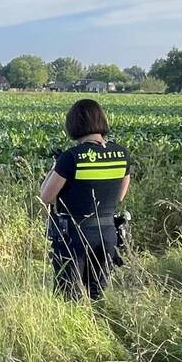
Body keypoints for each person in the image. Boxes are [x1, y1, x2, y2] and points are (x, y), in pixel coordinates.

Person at [39, 99, 131, 299]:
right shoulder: (122, 154)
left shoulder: (71, 157)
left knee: (69, 296)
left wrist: (57, 165)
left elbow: (45, 196)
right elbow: (120, 196)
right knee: (97, 295)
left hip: (74, 235)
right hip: (107, 233)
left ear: (73, 125)